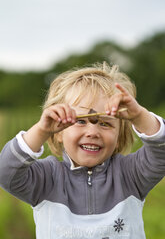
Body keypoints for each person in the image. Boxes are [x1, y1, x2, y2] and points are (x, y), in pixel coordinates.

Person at [0, 62, 165, 239]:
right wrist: (41, 130)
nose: (93, 132)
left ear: (120, 136)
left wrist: (140, 115)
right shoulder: (46, 179)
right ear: (58, 132)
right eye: (79, 121)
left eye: (105, 123)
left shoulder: (131, 175)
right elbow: (6, 172)